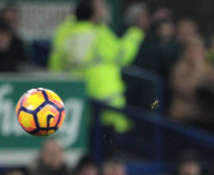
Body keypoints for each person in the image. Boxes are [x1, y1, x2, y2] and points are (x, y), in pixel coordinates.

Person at [48, 0, 144, 132]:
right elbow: (122, 55)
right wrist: (135, 34)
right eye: (101, 6)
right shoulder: (98, 32)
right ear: (92, 11)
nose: (104, 9)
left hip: (75, 99)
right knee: (105, 145)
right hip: (106, 101)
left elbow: (55, 64)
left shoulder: (64, 30)